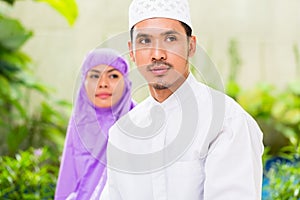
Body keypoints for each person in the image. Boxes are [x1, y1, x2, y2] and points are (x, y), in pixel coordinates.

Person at [102, 0, 264, 199]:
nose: (157, 55)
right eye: (144, 41)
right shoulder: (122, 134)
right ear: (132, 52)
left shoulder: (226, 122)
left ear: (191, 45)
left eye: (170, 38)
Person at [55, 48, 135, 200]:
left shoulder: (139, 119)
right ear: (83, 83)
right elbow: (68, 175)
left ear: (125, 82)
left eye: (113, 75)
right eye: (94, 76)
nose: (103, 83)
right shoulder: (79, 120)